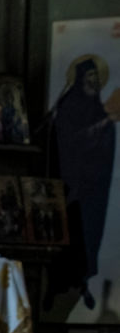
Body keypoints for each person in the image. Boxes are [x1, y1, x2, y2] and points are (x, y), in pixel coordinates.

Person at [48, 55, 120, 307]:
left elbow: (101, 143)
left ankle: (83, 283)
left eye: (97, 78)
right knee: (70, 234)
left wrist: (106, 125)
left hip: (92, 187)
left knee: (89, 235)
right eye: (90, 78)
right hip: (71, 186)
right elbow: (72, 143)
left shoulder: (96, 106)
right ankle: (59, 287)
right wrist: (105, 124)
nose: (95, 83)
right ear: (79, 80)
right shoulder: (69, 107)